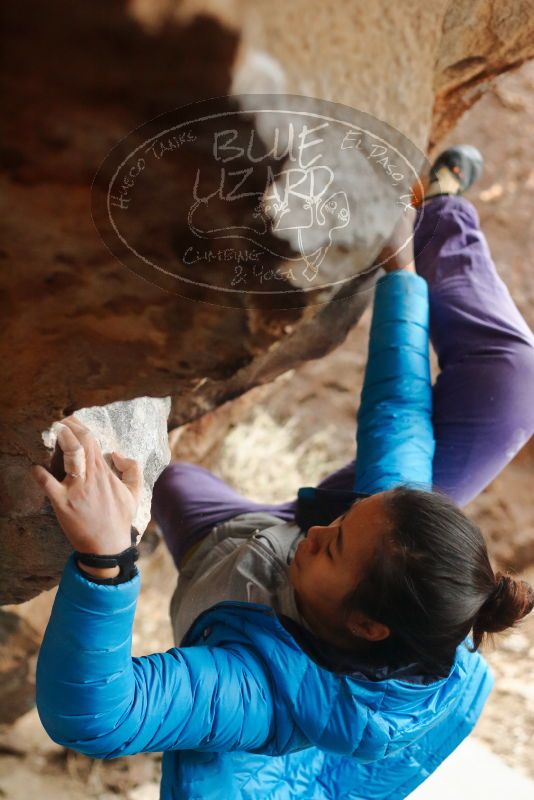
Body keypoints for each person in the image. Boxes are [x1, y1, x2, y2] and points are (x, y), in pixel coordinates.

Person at [33, 146, 534, 799]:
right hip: (281, 571)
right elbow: (398, 414)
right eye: (349, 516)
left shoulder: (257, 693)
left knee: (171, 487)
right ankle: (440, 204)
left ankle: (148, 523)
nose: (315, 530)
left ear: (367, 625)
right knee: (512, 390)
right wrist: (400, 272)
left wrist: (107, 562)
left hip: (242, 597)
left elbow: (97, 718)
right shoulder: (408, 569)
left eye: (333, 543)